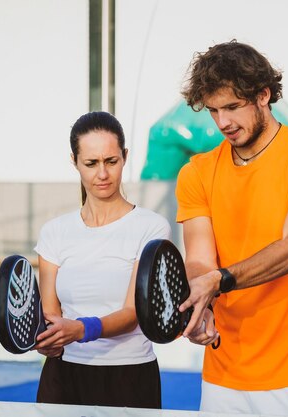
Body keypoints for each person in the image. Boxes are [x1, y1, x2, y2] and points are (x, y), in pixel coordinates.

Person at [175, 40, 288, 417]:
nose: (223, 123)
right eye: (214, 110)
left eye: (233, 107)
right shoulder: (196, 173)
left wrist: (218, 281)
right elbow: (200, 261)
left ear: (263, 95)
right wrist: (201, 305)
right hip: (223, 374)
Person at [33, 111, 171, 408]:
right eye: (91, 163)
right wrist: (48, 343)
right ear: (74, 161)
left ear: (125, 156)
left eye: (111, 161)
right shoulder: (54, 232)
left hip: (130, 375)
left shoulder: (152, 227)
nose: (103, 174)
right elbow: (51, 314)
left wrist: (82, 329)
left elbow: (135, 311)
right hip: (63, 377)